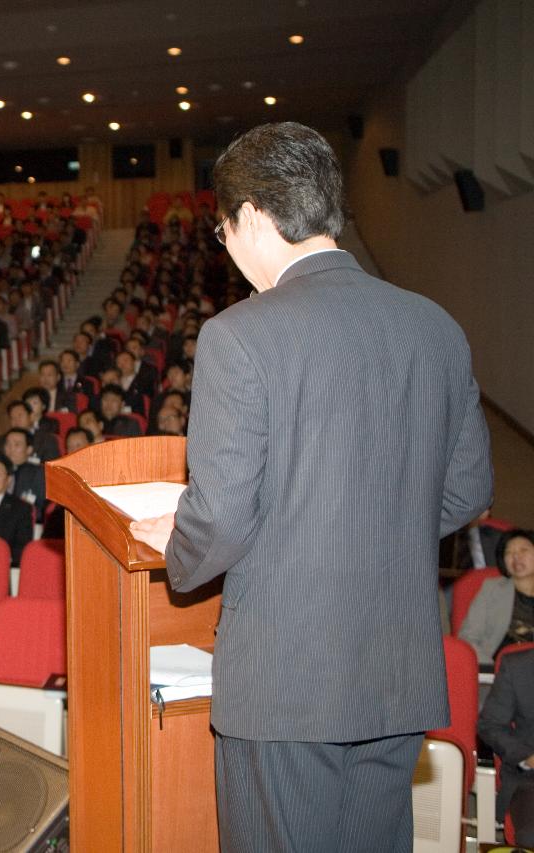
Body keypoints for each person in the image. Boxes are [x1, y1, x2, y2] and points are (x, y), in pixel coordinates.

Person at [129, 122, 493, 851]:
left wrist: (180, 537)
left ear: (255, 217)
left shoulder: (241, 334)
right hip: (395, 672)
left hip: (287, 683)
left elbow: (224, 516)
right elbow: (466, 493)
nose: (227, 250)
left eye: (225, 229)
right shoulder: (436, 327)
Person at [477, 647, 534, 847]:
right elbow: (489, 725)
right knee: (530, 835)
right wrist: (528, 757)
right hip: (529, 780)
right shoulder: (519, 667)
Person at [459, 529, 534, 665]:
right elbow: (468, 637)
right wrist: (493, 670)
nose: (516, 557)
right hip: (497, 671)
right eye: (509, 552)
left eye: (523, 550)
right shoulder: (491, 589)